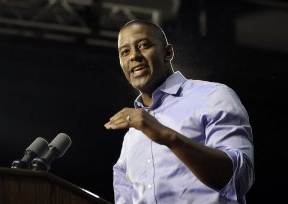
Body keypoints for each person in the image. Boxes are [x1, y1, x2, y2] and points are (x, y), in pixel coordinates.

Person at [104, 19, 254, 204]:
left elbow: (239, 179)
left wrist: (166, 135)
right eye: (125, 52)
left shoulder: (213, 96)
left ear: (168, 52)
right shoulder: (131, 138)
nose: (134, 56)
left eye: (143, 45)